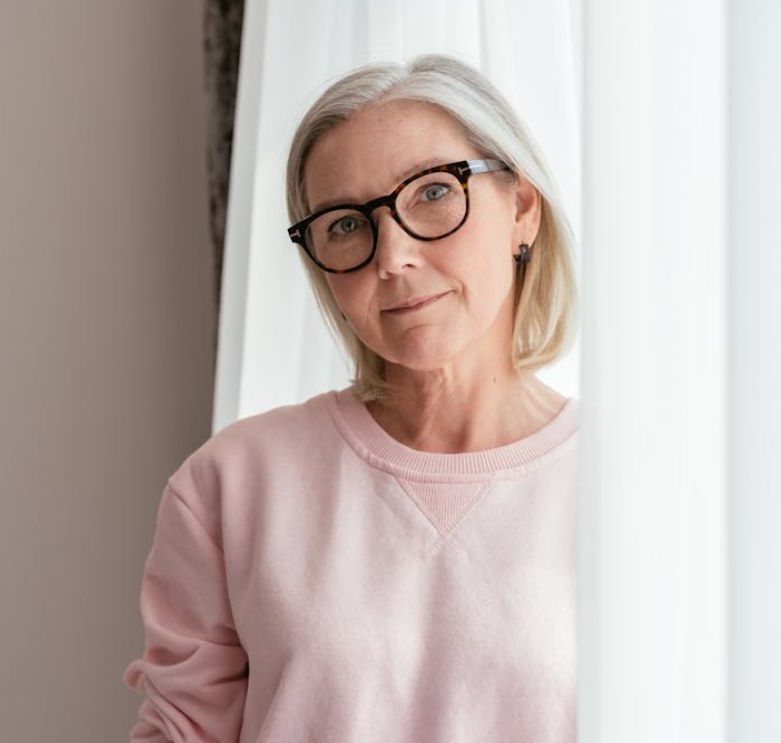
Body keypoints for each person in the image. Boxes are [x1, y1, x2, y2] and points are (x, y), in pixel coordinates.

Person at [123, 53, 579, 742]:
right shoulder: (230, 486)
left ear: (520, 209)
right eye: (344, 223)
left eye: (431, 191)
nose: (390, 254)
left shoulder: (632, 489)